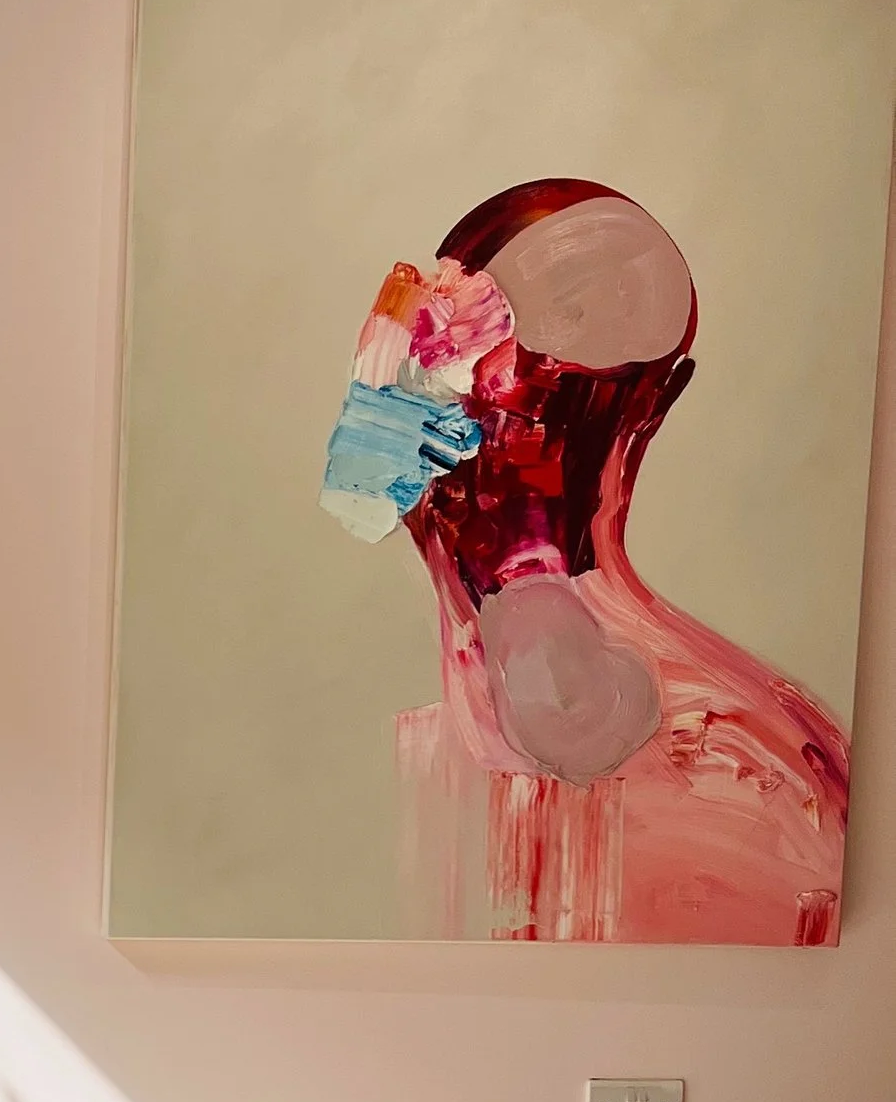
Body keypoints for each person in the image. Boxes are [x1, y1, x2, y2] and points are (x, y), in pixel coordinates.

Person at [321, 179, 849, 944]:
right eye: (467, 351)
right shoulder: (389, 747)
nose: (500, 402)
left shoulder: (755, 780)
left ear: (647, 410)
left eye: (555, 388)